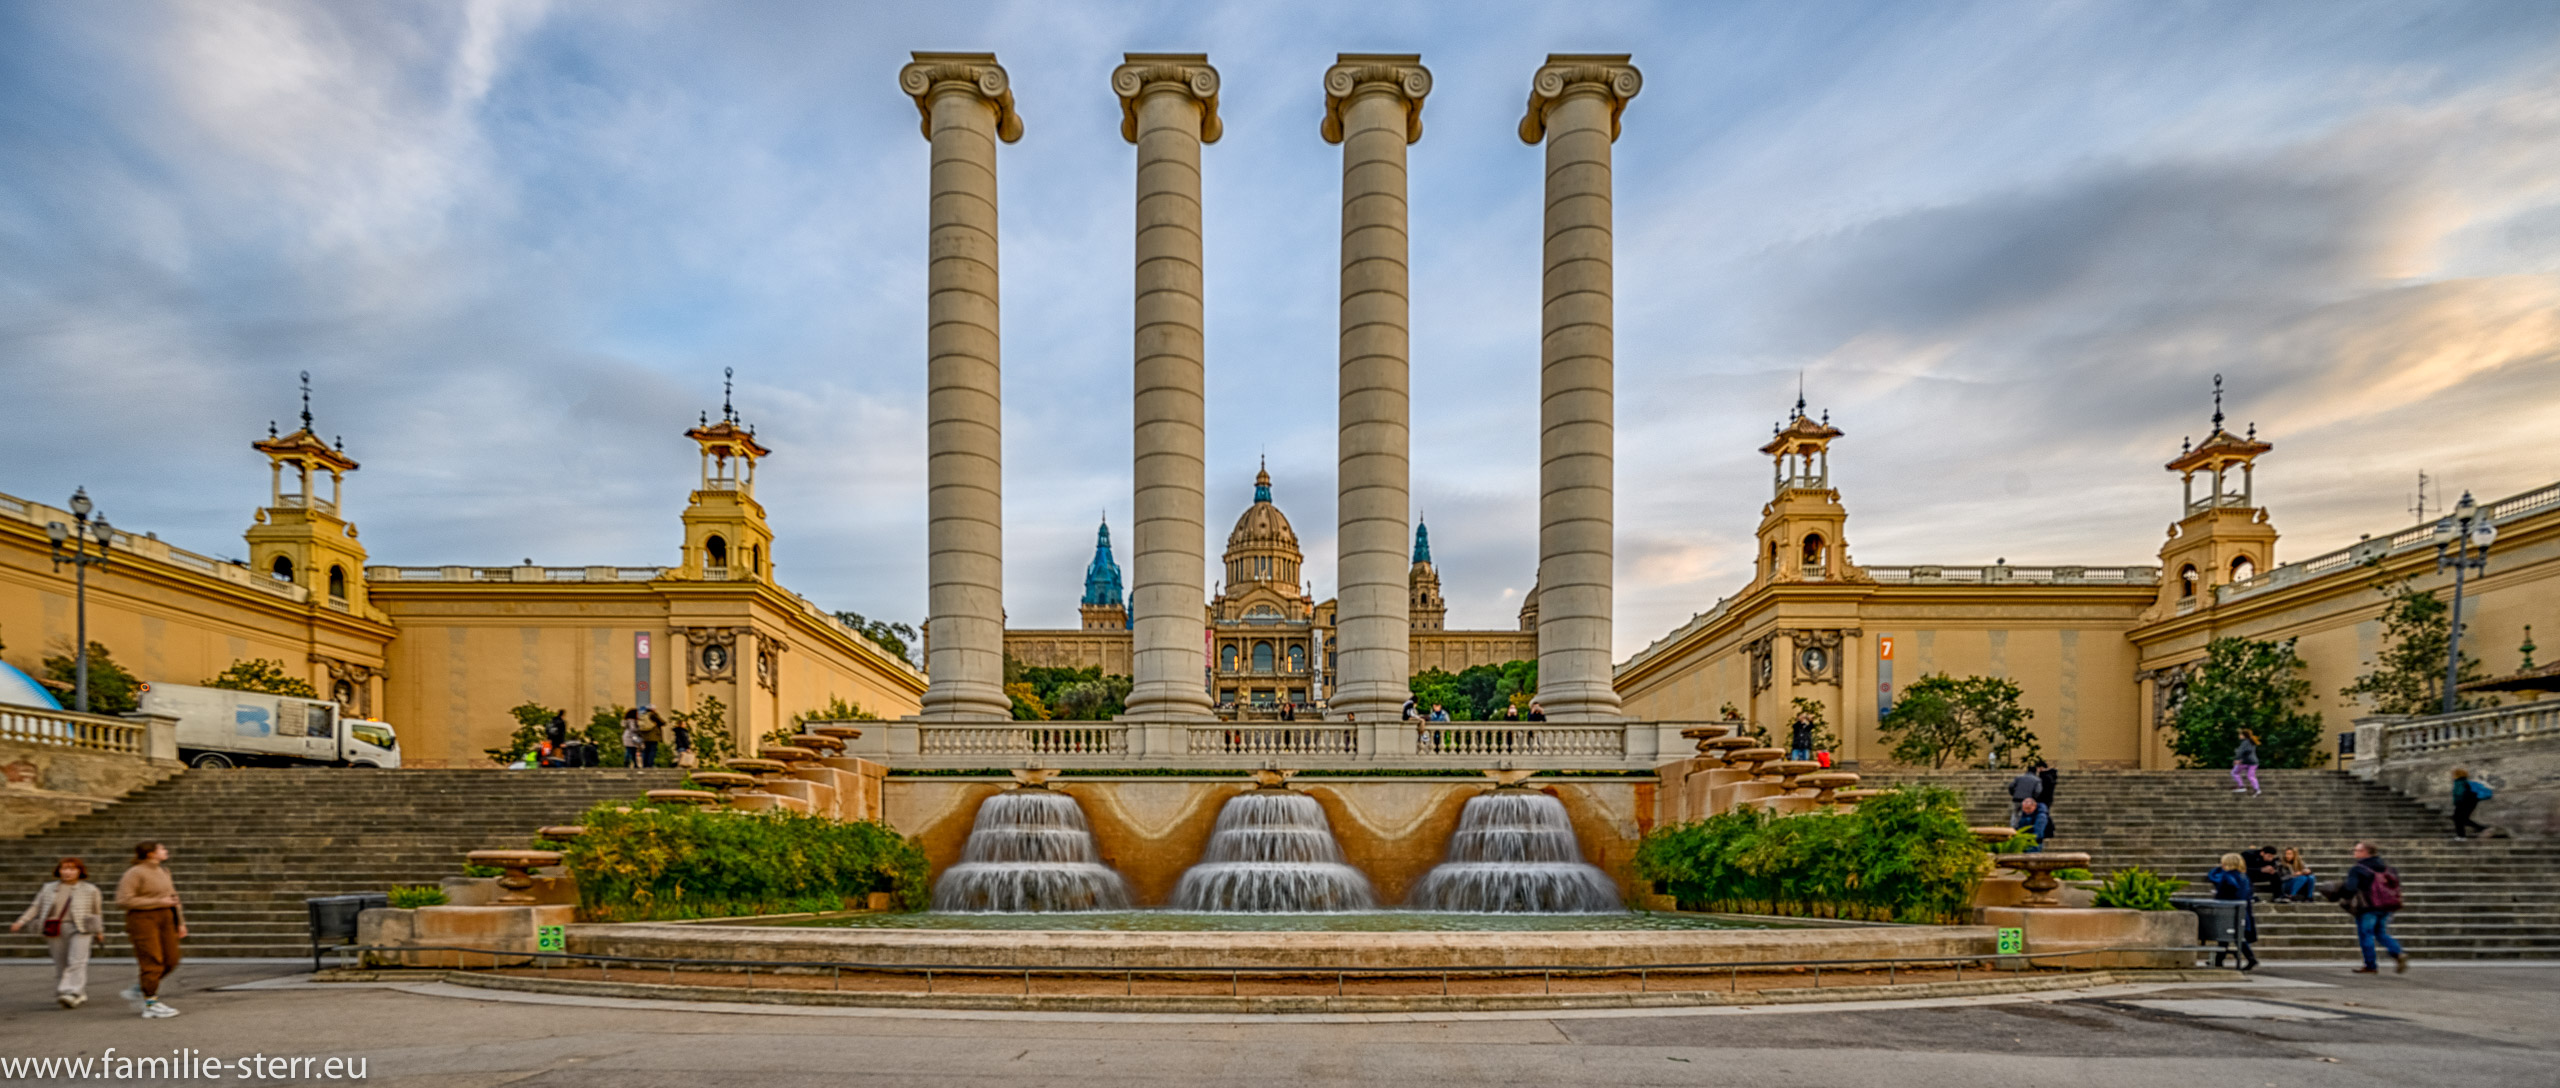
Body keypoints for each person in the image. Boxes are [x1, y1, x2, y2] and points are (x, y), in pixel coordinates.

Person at [12, 857, 105, 1008]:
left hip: (81, 928)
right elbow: (36, 906)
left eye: (72, 869)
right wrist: (21, 921)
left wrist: (99, 931)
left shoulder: (90, 889)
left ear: (80, 871)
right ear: (59, 870)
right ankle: (76, 992)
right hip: (54, 928)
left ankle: (71, 991)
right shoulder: (48, 888)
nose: (67, 872)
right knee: (61, 962)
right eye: (64, 868)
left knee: (77, 961)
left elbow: (96, 911)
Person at [114, 841, 185, 1018]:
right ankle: (151, 1003)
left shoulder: (163, 871)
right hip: (143, 919)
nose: (165, 851)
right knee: (152, 959)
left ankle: (141, 987)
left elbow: (173, 897)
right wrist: (157, 902)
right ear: (150, 853)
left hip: (167, 918)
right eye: (162, 849)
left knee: (171, 960)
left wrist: (180, 922)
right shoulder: (135, 872)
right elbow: (123, 900)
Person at [2332, 841, 2407, 974]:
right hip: (2385, 906)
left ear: (2365, 852)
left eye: (2357, 850)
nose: (2354, 852)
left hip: (2367, 907)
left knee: (2366, 934)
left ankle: (2370, 965)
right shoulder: (2385, 867)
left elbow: (2351, 888)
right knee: (2381, 933)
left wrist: (2339, 891)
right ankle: (2398, 952)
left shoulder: (2358, 869)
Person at [2206, 853, 2260, 970]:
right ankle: (2219, 959)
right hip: (2242, 909)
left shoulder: (2228, 876)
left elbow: (2228, 887)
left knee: (2227, 934)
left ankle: (2249, 958)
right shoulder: (2243, 876)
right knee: (2234, 935)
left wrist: (2219, 895)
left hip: (2229, 908)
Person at [2451, 768, 2492, 839]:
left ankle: (2462, 836)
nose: (2452, 776)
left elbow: (2459, 794)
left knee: (2458, 818)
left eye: (2454, 774)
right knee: (2461, 819)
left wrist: (2458, 803)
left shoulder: (2460, 782)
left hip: (2464, 803)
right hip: (2469, 802)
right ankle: (2479, 828)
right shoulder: (2463, 782)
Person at [2231, 730, 2261, 796]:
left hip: (2245, 762)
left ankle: (2241, 786)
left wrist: (2238, 759)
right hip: (2253, 762)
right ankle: (2257, 789)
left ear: (2243, 735)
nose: (2239, 736)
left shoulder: (2245, 742)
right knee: (2251, 776)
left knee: (2234, 772)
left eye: (2240, 734)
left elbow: (2242, 751)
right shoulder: (2251, 741)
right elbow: (2247, 751)